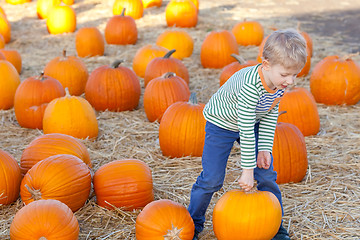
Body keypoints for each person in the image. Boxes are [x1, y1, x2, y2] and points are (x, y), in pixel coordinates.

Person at [188, 29, 307, 240]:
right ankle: (193, 223)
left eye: (295, 75)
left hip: (252, 121)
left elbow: (270, 115)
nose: (290, 81)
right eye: (285, 75)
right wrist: (247, 170)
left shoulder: (279, 84)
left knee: (267, 174)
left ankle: (276, 228)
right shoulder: (250, 86)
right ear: (266, 64)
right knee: (212, 179)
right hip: (222, 123)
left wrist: (264, 149)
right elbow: (245, 125)